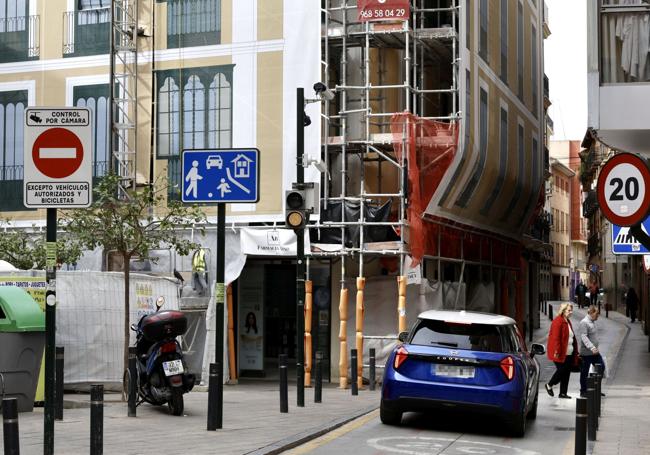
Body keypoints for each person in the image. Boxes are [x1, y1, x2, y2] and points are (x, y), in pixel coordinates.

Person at [545, 303, 578, 399]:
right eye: (569, 310)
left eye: (571, 310)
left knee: (566, 372)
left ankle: (563, 393)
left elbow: (571, 337)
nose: (571, 312)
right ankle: (549, 385)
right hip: (560, 352)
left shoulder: (567, 321)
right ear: (563, 311)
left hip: (569, 352)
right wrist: (557, 351)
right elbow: (556, 338)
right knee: (562, 370)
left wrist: (575, 351)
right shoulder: (557, 321)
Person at [579, 305, 606, 398]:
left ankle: (597, 389)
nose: (598, 315)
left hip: (595, 353)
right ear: (591, 313)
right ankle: (583, 391)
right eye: (597, 314)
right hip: (587, 353)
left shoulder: (593, 322)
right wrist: (592, 347)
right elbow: (584, 337)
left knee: (601, 367)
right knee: (584, 372)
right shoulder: (584, 322)